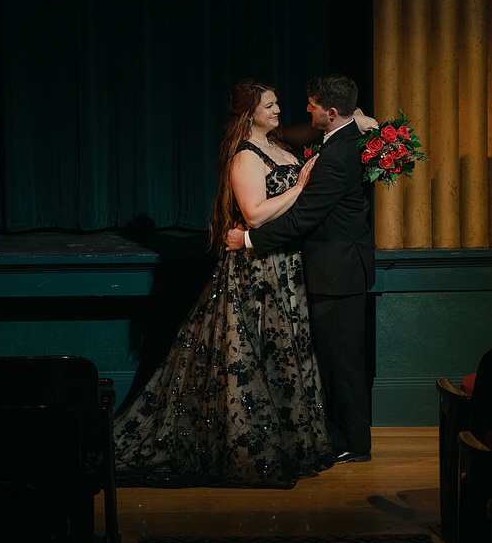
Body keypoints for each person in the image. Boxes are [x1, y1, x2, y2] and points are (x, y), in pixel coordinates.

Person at [113, 77, 333, 489]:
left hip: (285, 266)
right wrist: (301, 186)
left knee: (284, 352)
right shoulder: (245, 157)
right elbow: (254, 215)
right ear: (250, 113)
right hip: (257, 272)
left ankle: (288, 438)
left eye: (277, 104)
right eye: (270, 106)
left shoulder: (278, 146)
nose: (278, 111)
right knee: (255, 354)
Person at [226, 74, 376, 463]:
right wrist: (359, 121)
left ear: (331, 111)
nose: (301, 110)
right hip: (331, 269)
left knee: (342, 363)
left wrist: (248, 241)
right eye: (271, 105)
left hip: (336, 272)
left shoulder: (338, 157)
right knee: (334, 360)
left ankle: (353, 443)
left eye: (311, 105)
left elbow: (304, 218)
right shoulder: (341, 139)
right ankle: (342, 436)